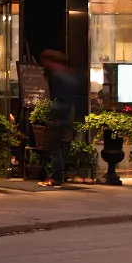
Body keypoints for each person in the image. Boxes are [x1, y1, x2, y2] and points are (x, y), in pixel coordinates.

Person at [38, 50, 82, 188]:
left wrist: (52, 112)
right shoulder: (68, 73)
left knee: (54, 148)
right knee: (60, 147)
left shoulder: (57, 75)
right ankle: (58, 177)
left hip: (60, 115)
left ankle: (56, 179)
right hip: (68, 115)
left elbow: (61, 98)